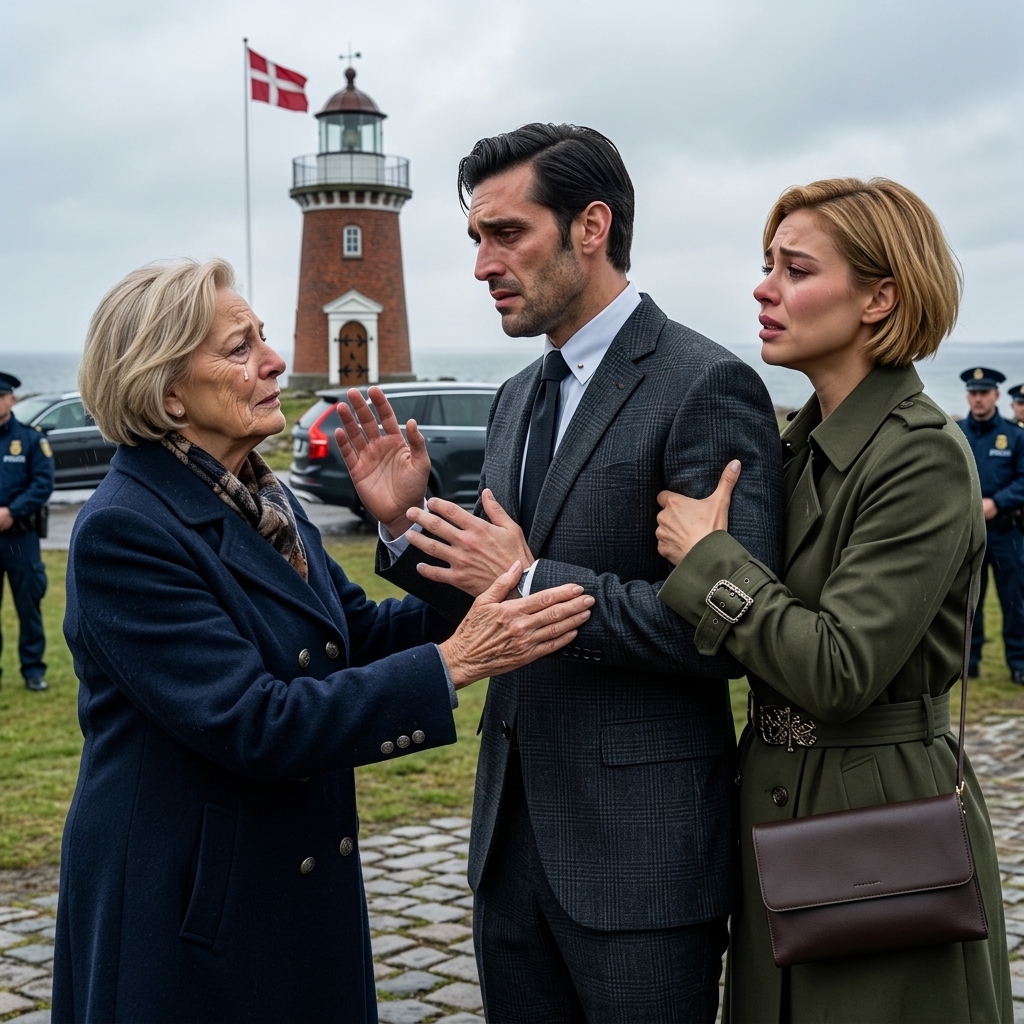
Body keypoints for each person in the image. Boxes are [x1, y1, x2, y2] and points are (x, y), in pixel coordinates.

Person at [51, 259, 593, 1024]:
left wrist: (410, 528)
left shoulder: (261, 497)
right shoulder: (126, 530)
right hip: (188, 905)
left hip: (279, 882)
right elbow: (255, 722)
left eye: (263, 337)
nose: (275, 360)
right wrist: (455, 663)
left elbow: (355, 637)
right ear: (168, 393)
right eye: (240, 349)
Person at [336, 124, 784, 1023]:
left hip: (641, 858)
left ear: (591, 226)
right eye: (476, 238)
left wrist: (536, 576)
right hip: (510, 846)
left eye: (507, 234)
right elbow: (495, 592)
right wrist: (404, 525)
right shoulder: (516, 397)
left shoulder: (706, 385)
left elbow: (725, 633)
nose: (482, 265)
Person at [654, 178, 1011, 1023]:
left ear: (879, 298)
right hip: (776, 791)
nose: (764, 288)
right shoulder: (797, 446)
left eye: (796, 269)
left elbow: (839, 668)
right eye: (767, 265)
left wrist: (709, 560)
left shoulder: (921, 455)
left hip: (879, 812)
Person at [957, 367, 1024, 682]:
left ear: (996, 395)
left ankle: (1019, 665)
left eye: (984, 393)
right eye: (973, 393)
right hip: (969, 533)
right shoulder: (956, 433)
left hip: (1007, 533)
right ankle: (966, 665)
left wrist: (997, 502)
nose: (978, 399)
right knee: (968, 603)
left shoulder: (1016, 435)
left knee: (1015, 602)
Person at [0, 370, 54, 692]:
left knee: (28, 605)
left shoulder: (31, 440)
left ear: (11, 399)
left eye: (0, 397)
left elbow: (42, 484)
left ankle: (33, 669)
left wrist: (11, 512)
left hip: (20, 537)